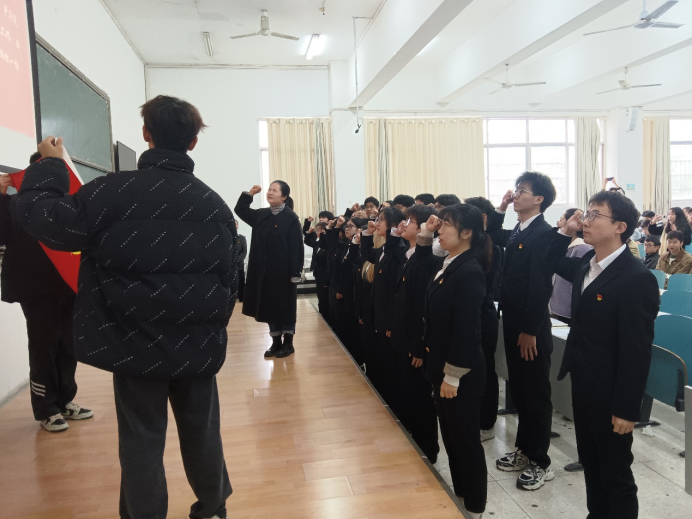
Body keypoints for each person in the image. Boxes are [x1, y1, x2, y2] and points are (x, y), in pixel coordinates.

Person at [17, 95, 238, 519]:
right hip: (197, 345)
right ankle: (213, 510)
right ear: (193, 142)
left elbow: (42, 218)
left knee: (141, 442)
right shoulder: (214, 205)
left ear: (146, 134)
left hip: (135, 344)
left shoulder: (111, 193)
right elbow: (229, 281)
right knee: (204, 433)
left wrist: (49, 165)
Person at [545, 191, 659, 519]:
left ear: (620, 226)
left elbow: (636, 351)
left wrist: (626, 408)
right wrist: (565, 231)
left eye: (595, 215)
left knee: (615, 473)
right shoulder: (587, 263)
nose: (586, 220)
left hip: (612, 393)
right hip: (584, 383)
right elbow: (551, 259)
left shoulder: (636, 278)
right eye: (587, 213)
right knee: (591, 463)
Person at [0, 152, 92, 433]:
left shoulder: (69, 204)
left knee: (69, 346)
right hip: (35, 288)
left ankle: (64, 400)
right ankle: (46, 408)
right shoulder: (15, 204)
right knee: (44, 347)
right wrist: (0, 196)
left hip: (69, 285)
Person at [486, 171, 557, 491]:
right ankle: (525, 450)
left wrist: (529, 330)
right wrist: (500, 208)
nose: (516, 194)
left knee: (536, 394)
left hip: (532, 327)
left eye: (522, 190)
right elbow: (494, 236)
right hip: (515, 322)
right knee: (521, 391)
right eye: (516, 189)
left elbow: (540, 286)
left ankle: (541, 462)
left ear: (539, 198)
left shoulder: (544, 233)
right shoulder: (520, 228)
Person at [423, 205, 491, 519]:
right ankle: (462, 495)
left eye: (446, 225)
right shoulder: (450, 263)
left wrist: (452, 376)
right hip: (443, 366)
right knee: (451, 438)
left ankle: (475, 506)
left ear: (466, 233)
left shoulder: (469, 271)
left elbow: (467, 330)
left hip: (461, 373)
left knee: (465, 442)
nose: (440, 230)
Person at [389, 203, 439, 463]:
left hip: (415, 343)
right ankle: (412, 438)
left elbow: (422, 307)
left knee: (420, 397)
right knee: (407, 391)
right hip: (403, 337)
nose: (404, 224)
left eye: (410, 221)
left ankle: (428, 449)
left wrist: (419, 346)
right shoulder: (409, 255)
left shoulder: (424, 261)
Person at [235, 181, 304, 359]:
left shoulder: (291, 218)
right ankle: (275, 342)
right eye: (269, 189)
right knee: (269, 307)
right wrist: (250, 194)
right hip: (264, 273)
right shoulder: (261, 215)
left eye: (275, 190)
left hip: (284, 273)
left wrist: (295, 273)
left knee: (285, 308)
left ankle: (288, 343)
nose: (270, 192)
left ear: (284, 197)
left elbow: (297, 247)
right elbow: (240, 210)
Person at [360, 206, 406, 410]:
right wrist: (367, 234)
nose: (376, 223)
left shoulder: (398, 250)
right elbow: (367, 254)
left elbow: (395, 292)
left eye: (381, 220)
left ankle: (393, 403)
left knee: (390, 364)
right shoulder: (383, 249)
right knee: (380, 359)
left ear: (394, 225)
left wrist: (390, 323)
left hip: (389, 318)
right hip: (378, 315)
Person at [465, 196, 503, 442]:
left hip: (482, 317)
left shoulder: (490, 248)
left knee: (485, 371)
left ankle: (486, 423)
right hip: (473, 316)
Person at [549, 208, 593, 325]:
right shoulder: (568, 246)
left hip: (568, 311)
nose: (558, 223)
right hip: (558, 307)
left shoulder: (582, 248)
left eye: (561, 220)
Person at [236, 220, 247, 302]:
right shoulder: (228, 237)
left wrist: (237, 260)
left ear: (238, 226)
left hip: (239, 265)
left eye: (236, 224)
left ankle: (241, 298)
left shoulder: (242, 238)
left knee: (240, 282)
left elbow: (244, 251)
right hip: (229, 266)